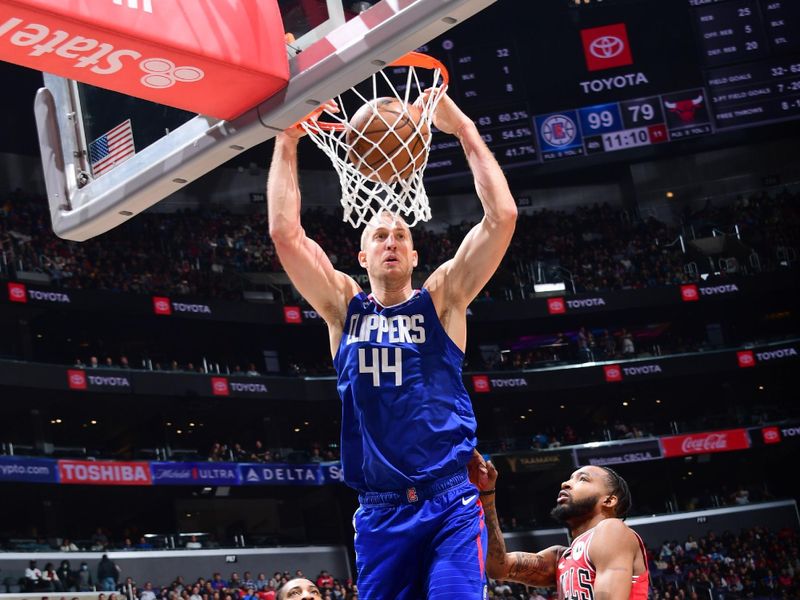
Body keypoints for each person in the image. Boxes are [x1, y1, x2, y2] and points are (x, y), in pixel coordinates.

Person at [268, 89, 516, 599]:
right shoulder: (343, 306)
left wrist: (465, 129)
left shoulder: (443, 300)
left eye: (401, 236)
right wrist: (288, 139)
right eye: (380, 236)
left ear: (414, 252)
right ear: (361, 256)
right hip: (380, 510)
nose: (391, 242)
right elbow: (285, 234)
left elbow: (502, 218)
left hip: (449, 501)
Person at [480, 463, 649, 599]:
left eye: (583, 479)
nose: (565, 483)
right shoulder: (560, 558)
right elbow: (498, 568)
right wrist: (486, 494)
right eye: (570, 478)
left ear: (609, 500)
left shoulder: (612, 529)